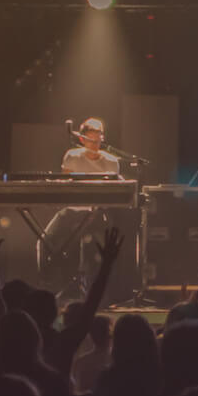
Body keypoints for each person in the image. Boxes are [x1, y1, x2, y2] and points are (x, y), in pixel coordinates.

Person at [37, 116, 126, 291]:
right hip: (72, 211)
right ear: (82, 139)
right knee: (43, 242)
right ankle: (45, 283)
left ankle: (104, 289)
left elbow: (114, 193)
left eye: (98, 138)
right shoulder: (72, 156)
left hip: (97, 214)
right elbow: (65, 186)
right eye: (91, 138)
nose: (95, 142)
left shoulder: (111, 161)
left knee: (108, 247)